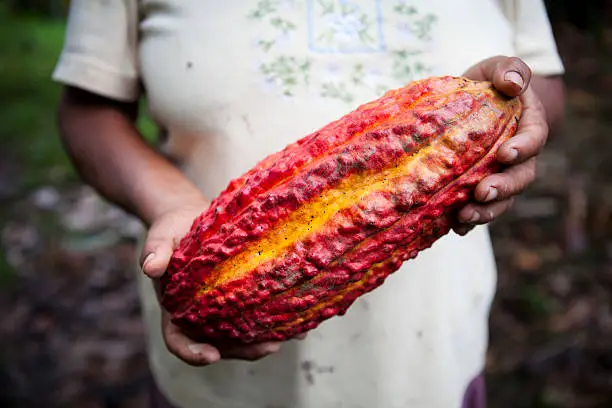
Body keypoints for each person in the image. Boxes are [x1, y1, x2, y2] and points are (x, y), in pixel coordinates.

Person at [52, 1, 565, 407]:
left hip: (428, 355)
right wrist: (170, 202)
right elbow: (88, 110)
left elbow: (541, 82)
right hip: (215, 361)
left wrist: (518, 108)